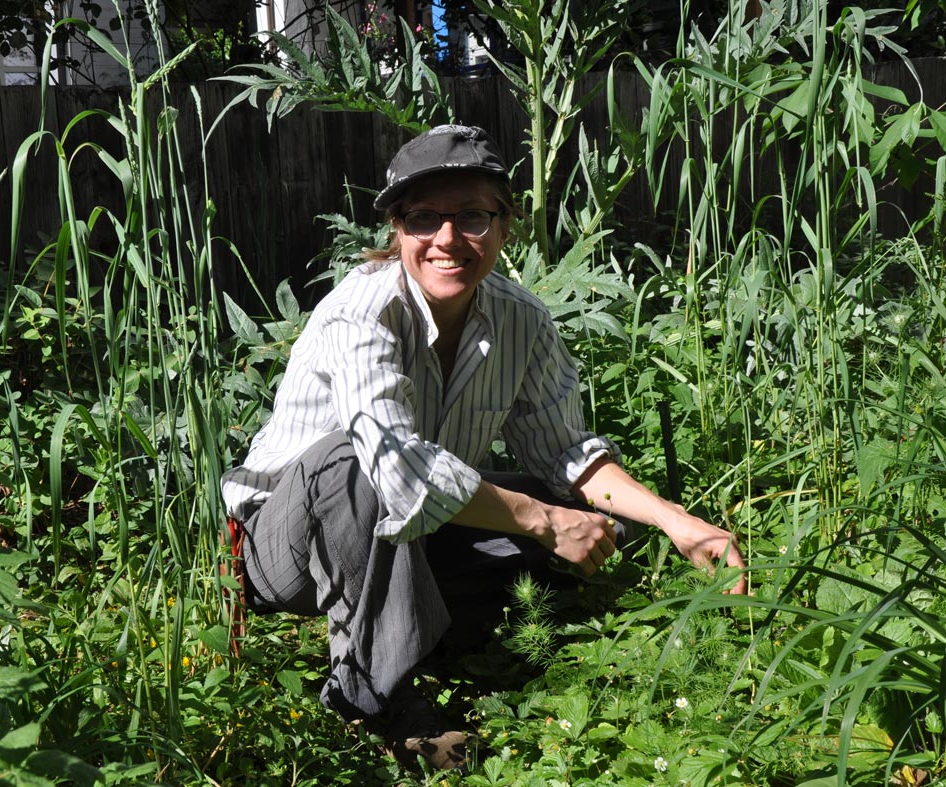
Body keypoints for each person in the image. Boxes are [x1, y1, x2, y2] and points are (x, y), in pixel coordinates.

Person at [221, 124, 747, 771]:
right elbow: (394, 467)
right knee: (355, 462)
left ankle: (438, 627)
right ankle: (379, 696)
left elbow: (565, 451)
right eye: (423, 217)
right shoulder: (360, 312)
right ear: (396, 230)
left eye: (471, 215)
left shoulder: (519, 317)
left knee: (600, 523)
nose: (447, 238)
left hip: (409, 534)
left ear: (504, 225)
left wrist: (676, 521)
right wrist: (545, 521)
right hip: (290, 550)